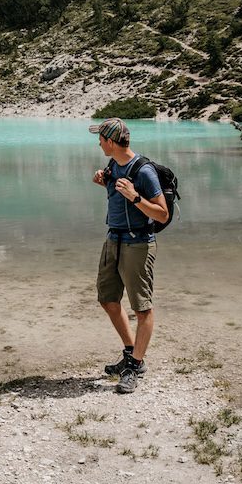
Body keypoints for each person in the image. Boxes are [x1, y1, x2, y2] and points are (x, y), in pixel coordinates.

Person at [90, 116, 169, 394]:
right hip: (113, 239)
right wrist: (105, 183)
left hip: (138, 243)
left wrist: (135, 196)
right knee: (108, 299)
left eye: (100, 139)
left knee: (142, 308)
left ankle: (134, 366)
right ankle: (130, 352)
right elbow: (119, 195)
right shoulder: (113, 165)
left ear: (111, 141)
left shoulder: (144, 171)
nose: (98, 144)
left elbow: (162, 214)